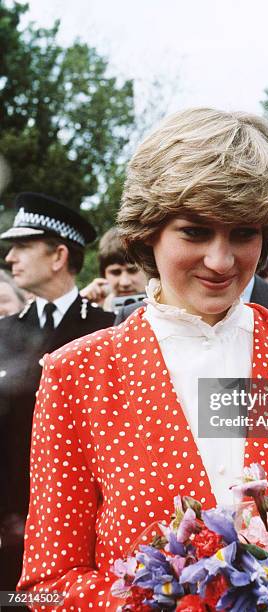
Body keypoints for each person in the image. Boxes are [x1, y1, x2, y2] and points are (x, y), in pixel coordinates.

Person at [18, 109, 268, 610]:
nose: (221, 261)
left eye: (243, 233)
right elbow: (48, 584)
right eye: (194, 232)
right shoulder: (79, 373)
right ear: (148, 233)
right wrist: (154, 601)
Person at [0, 193, 115, 591]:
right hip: (11, 528)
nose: (11, 258)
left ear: (58, 255)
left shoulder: (108, 329)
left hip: (88, 534)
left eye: (22, 246)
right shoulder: (3, 333)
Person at [81, 227, 148, 310]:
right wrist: (81, 304)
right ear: (104, 275)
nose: (124, 282)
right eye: (115, 272)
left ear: (149, 270)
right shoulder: (93, 308)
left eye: (132, 271)